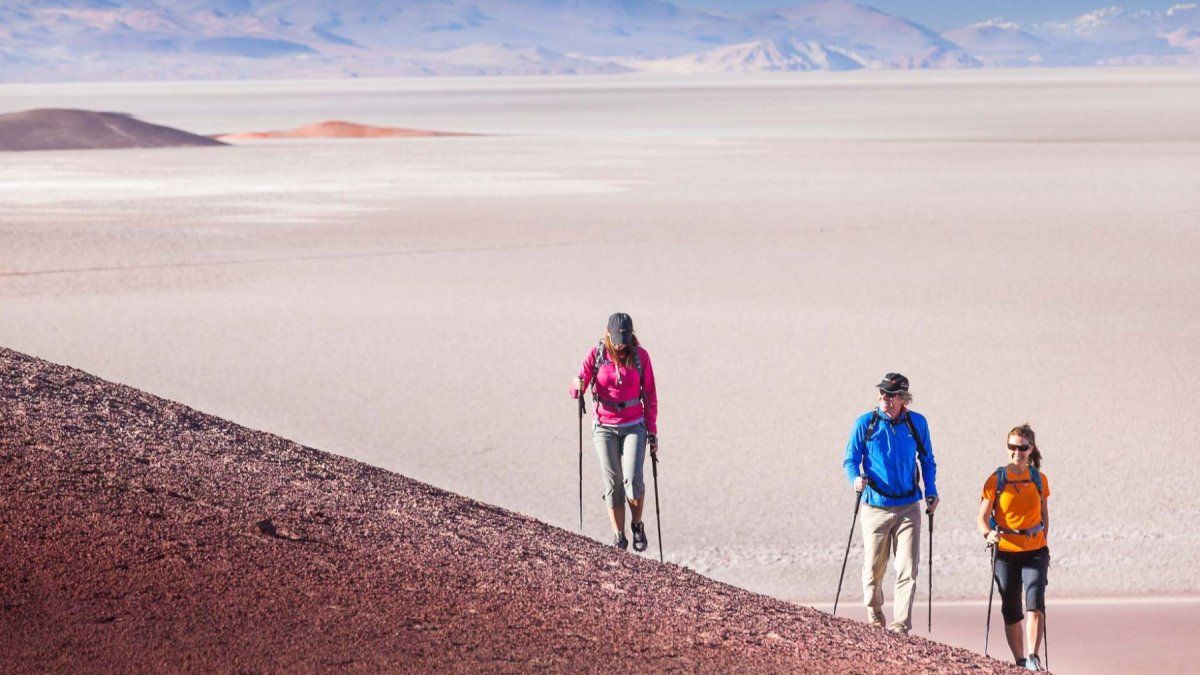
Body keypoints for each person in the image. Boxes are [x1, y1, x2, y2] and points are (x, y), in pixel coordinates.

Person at [842, 372, 939, 635]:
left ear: (903, 398)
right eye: (883, 393)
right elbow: (850, 459)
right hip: (875, 505)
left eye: (891, 395)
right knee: (873, 569)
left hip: (909, 506)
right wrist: (855, 479)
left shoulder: (916, 423)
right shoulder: (867, 423)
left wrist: (931, 491)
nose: (885, 398)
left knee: (907, 567)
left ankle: (900, 625)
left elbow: (927, 460)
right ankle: (874, 615)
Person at [570, 312, 658, 551]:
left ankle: (637, 525)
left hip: (633, 424)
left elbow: (650, 395)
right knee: (613, 482)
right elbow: (578, 386)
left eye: (624, 339)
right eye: (617, 339)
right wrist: (577, 386)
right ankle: (619, 537)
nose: (620, 344)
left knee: (633, 478)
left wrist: (652, 431)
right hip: (604, 426)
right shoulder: (596, 354)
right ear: (608, 334)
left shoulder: (640, 357)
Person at [977, 424, 1051, 671]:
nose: (1016, 451)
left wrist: (1043, 543)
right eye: (1012, 446)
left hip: (1034, 551)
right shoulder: (995, 479)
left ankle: (1032, 657)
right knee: (1010, 607)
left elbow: (1045, 516)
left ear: (1030, 449)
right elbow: (982, 517)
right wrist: (988, 534)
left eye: (1022, 447)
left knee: (1034, 601)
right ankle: (1019, 661)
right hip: (1005, 552)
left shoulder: (1038, 479)